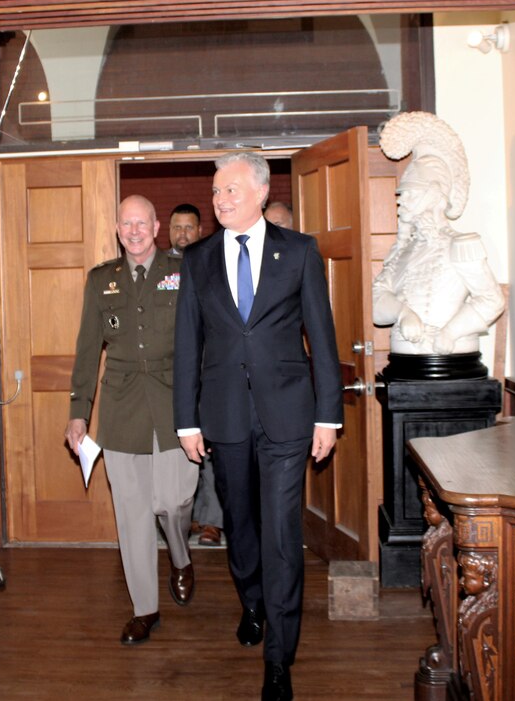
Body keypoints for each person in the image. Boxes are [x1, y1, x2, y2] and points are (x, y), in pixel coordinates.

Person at [173, 152, 343, 701]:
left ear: (262, 193)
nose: (221, 200)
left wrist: (328, 415)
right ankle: (252, 601)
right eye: (216, 191)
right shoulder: (196, 259)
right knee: (241, 524)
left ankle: (279, 659)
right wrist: (186, 421)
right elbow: (186, 346)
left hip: (289, 415)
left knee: (280, 532)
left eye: (231, 190)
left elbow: (322, 336)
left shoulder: (298, 252)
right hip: (223, 415)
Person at [65, 194, 198, 645]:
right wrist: (78, 413)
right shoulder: (103, 279)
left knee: (173, 502)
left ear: (157, 227)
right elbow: (87, 351)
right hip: (122, 410)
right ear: (118, 229)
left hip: (176, 406)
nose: (135, 231)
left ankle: (180, 557)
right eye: (127, 224)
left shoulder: (183, 271)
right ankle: (145, 609)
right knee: (133, 515)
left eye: (142, 223)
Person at [372, 112, 504, 356]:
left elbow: (491, 300)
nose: (401, 202)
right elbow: (376, 303)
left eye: (409, 194)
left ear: (432, 194)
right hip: (405, 361)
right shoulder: (403, 251)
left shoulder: (461, 245)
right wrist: (403, 313)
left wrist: (451, 332)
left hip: (452, 358)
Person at [166, 203, 223, 546]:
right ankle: (185, 518)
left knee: (212, 449)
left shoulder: (212, 263)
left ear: (201, 230)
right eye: (177, 227)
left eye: (189, 227)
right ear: (168, 230)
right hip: (170, 373)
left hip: (210, 370)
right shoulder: (158, 269)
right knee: (179, 451)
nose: (183, 234)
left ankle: (212, 520)